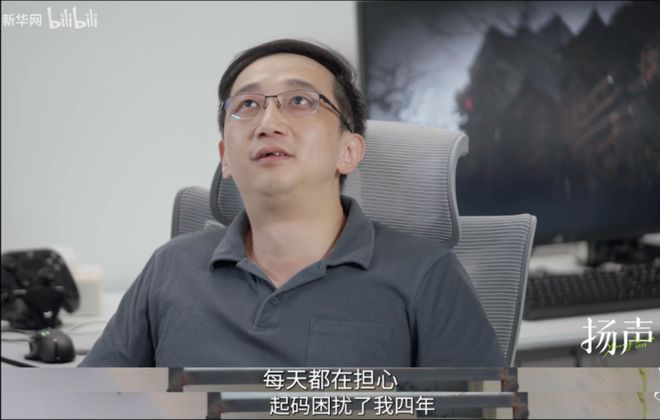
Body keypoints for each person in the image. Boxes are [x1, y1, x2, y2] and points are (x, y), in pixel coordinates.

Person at [80, 39, 505, 367]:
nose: (268, 123)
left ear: (349, 151)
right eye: (247, 105)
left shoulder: (425, 275)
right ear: (225, 158)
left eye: (299, 101)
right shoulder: (170, 267)